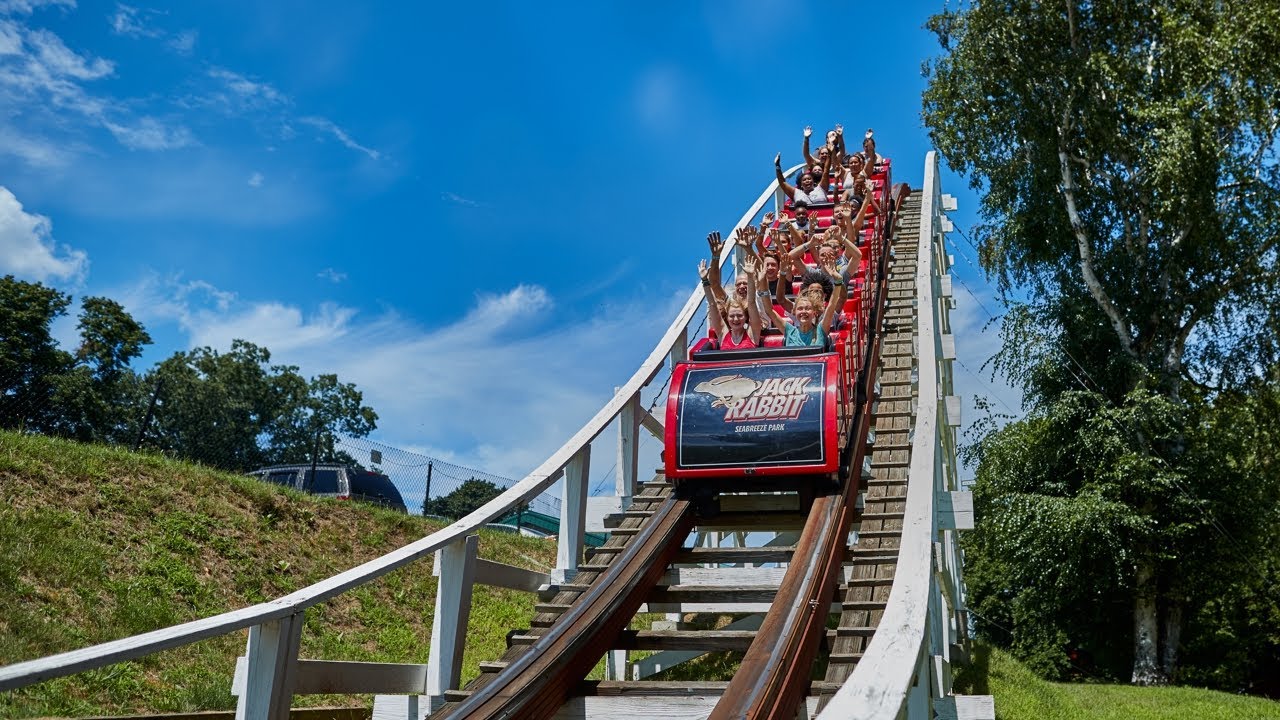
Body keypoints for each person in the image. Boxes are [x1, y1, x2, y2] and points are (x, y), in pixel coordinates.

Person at [762, 257, 846, 347]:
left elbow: (832, 305)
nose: (803, 312)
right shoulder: (790, 330)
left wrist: (838, 281)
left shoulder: (820, 330)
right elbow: (769, 311)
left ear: (814, 313)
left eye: (808, 309)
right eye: (800, 309)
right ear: (794, 311)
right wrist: (763, 282)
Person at [700, 256, 762, 350]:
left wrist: (750, 276)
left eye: (739, 315)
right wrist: (705, 281)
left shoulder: (752, 333)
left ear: (745, 317)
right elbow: (712, 304)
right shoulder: (722, 333)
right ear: (727, 318)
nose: (736, 319)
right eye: (732, 316)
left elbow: (751, 302)